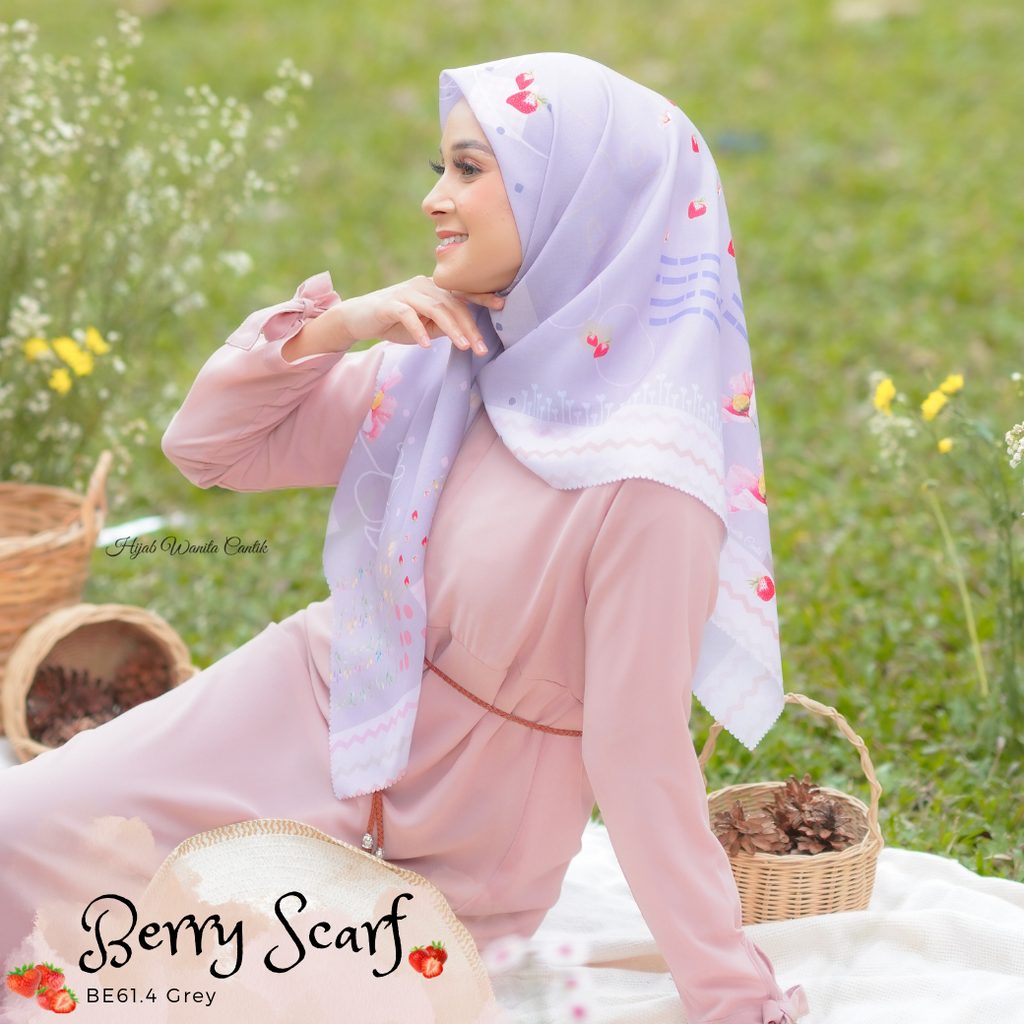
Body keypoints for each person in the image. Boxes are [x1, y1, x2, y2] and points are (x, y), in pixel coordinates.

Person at [0, 53, 806, 1023]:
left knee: (191, 997)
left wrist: (731, 993)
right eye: (440, 167)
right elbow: (208, 450)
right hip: (296, 711)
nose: (434, 198)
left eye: (469, 169)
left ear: (578, 204)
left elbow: (639, 758)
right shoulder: (447, 364)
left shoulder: (651, 486)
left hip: (453, 849)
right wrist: (337, 326)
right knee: (17, 842)